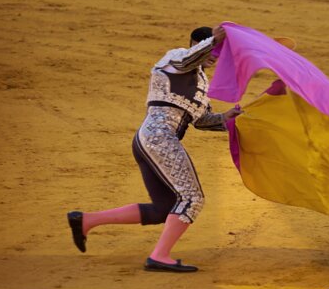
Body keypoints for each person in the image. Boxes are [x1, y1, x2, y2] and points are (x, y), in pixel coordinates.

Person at [67, 24, 240, 273]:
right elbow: (187, 61)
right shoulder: (176, 56)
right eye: (214, 52)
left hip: (150, 140)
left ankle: (86, 220)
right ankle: (160, 255)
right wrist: (213, 41)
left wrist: (229, 116)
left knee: (163, 208)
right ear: (195, 43)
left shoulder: (201, 82)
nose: (215, 57)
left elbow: (201, 121)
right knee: (192, 199)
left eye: (219, 54)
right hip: (160, 139)